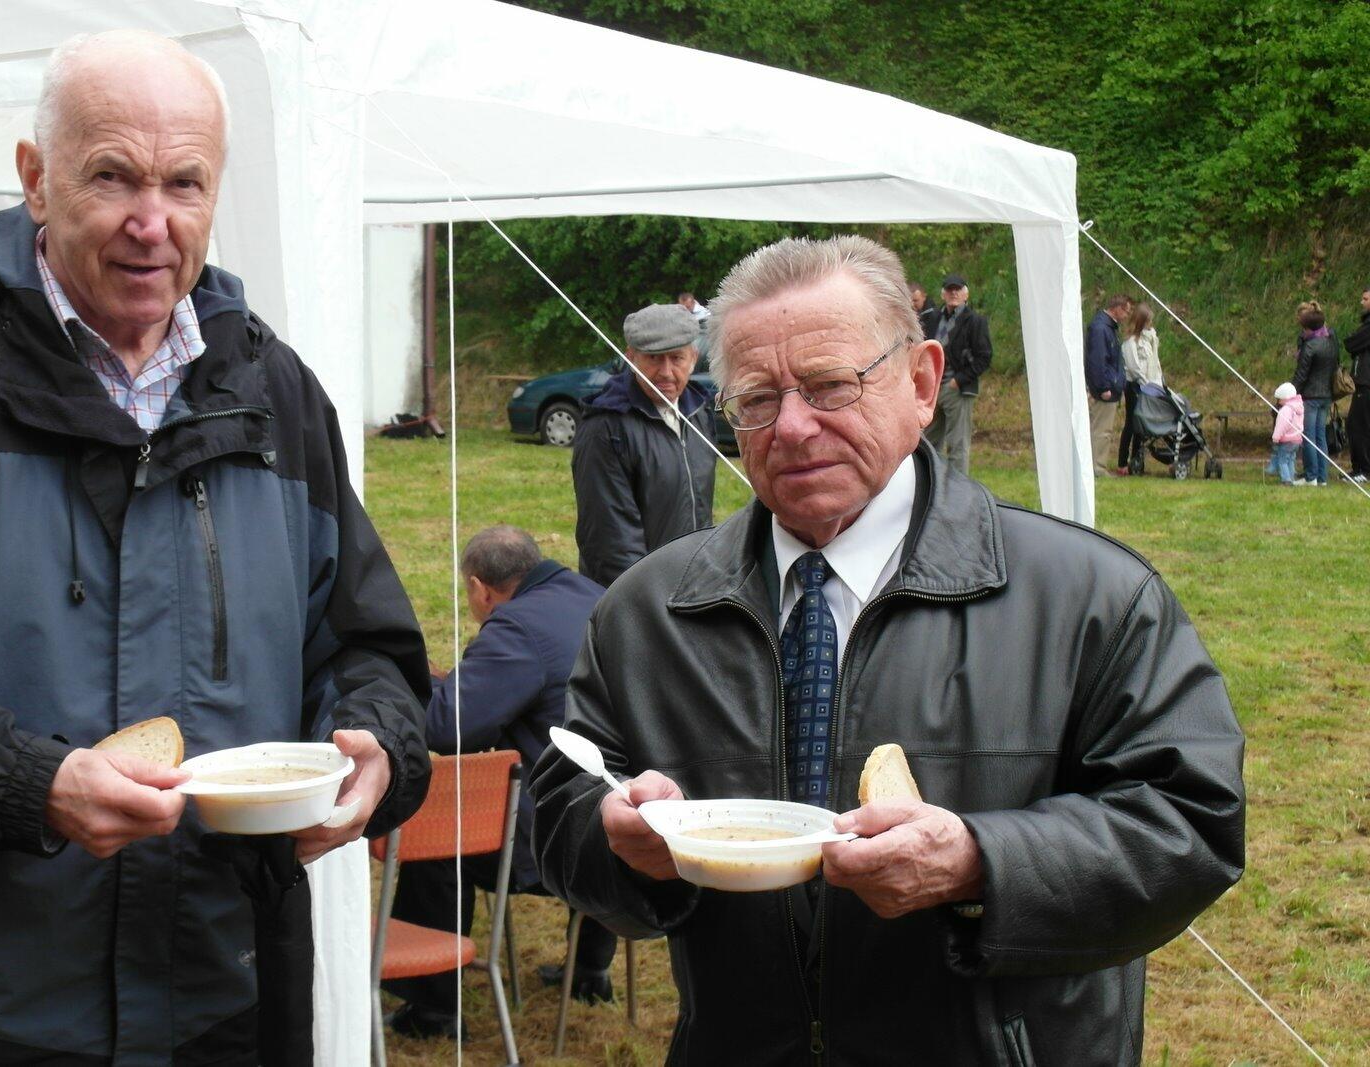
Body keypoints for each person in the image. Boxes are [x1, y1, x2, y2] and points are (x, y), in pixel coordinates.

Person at [0, 31, 432, 1064]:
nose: (150, 221)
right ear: (36, 179)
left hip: (229, 999)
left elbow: (366, 642)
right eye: (113, 175)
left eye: (184, 182)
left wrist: (378, 744)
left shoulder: (276, 392)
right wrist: (23, 782)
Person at [531, 235, 1245, 1065]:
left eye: (830, 386)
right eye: (756, 399)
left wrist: (980, 861)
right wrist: (619, 841)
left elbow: (1190, 822)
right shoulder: (648, 611)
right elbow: (564, 809)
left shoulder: (1089, 596)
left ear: (922, 382)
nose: (792, 426)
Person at [382, 526, 613, 1037]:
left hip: (561, 836)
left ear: (479, 588)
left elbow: (448, 729)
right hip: (622, 815)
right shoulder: (594, 595)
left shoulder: (517, 628)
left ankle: (434, 1011)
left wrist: (419, 682)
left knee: (438, 842)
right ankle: (590, 970)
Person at [572, 303, 717, 586]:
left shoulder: (698, 412)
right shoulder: (606, 426)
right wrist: (648, 602)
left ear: (693, 357)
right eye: (653, 358)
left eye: (677, 358)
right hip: (636, 594)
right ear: (631, 358)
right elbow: (611, 543)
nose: (666, 372)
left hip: (690, 585)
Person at [919, 273, 993, 475]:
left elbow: (984, 357)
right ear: (943, 294)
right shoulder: (933, 318)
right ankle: (931, 483)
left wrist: (959, 381)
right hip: (933, 388)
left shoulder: (975, 321)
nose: (954, 294)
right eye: (950, 290)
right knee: (927, 442)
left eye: (958, 290)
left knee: (957, 444)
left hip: (957, 390)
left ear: (965, 294)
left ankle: (958, 488)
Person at [1291, 301, 1339, 486]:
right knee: (1320, 437)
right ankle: (1322, 477)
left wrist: (1291, 393)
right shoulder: (1330, 343)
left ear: (1308, 328)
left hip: (1311, 396)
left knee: (1308, 437)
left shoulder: (1309, 346)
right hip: (1326, 396)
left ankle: (1311, 476)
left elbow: (1301, 375)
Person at [1085, 293, 1132, 475]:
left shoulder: (1108, 328)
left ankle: (1096, 466)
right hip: (1104, 389)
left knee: (1103, 429)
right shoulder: (1101, 329)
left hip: (1110, 386)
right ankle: (1097, 467)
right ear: (1117, 309)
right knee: (1101, 430)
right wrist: (1103, 387)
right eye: (1126, 311)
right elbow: (1097, 361)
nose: (1127, 316)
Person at [1117, 302, 1163, 474]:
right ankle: (1122, 462)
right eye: (1148, 321)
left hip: (1148, 386)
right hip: (1135, 386)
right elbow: (1134, 367)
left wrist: (1157, 383)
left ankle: (1136, 460)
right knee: (1131, 423)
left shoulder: (1148, 340)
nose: (1150, 325)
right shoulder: (1130, 343)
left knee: (1141, 425)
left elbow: (1154, 363)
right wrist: (1146, 384)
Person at [1340, 286, 1370, 482]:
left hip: (1366, 383)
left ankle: (1363, 469)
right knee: (1357, 424)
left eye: (1366, 299)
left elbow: (1351, 343)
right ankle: (1360, 467)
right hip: (1363, 382)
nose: (1362, 302)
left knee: (1358, 425)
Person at [1268, 382, 1305, 485]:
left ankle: (1286, 480)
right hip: (1297, 440)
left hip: (1286, 440)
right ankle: (1291, 477)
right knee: (1291, 460)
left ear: (1285, 398)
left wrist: (1276, 437)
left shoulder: (1286, 410)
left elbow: (1281, 426)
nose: (1278, 402)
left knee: (1283, 460)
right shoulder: (1299, 408)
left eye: (1279, 399)